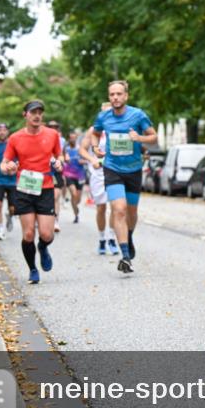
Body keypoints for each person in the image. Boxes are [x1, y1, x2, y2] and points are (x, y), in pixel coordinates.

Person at [82, 81, 156, 274]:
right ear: (109, 97)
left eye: (119, 94)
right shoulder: (103, 117)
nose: (115, 97)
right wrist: (97, 147)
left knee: (131, 212)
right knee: (119, 210)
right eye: (112, 94)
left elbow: (153, 137)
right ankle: (125, 256)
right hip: (112, 168)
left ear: (126, 96)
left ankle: (128, 236)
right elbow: (95, 134)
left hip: (133, 169)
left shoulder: (137, 115)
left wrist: (139, 139)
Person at [1, 100, 63, 284]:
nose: (37, 115)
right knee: (28, 234)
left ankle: (43, 248)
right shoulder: (15, 138)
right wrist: (8, 166)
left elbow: (59, 155)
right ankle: (33, 269)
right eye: (33, 112)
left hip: (45, 188)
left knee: (46, 234)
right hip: (25, 189)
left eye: (40, 112)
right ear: (25, 115)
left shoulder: (52, 135)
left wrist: (59, 162)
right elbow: (4, 163)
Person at [81, 102, 118, 255]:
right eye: (105, 113)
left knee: (116, 207)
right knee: (101, 208)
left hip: (115, 171)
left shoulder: (118, 129)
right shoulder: (94, 130)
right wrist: (92, 159)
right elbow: (82, 149)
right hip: (98, 174)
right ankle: (102, 238)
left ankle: (112, 238)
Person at [46, 120, 67, 233]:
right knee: (44, 196)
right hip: (43, 171)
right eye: (51, 127)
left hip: (56, 171)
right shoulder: (42, 138)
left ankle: (55, 220)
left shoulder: (61, 140)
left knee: (55, 196)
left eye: (55, 127)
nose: (53, 129)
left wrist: (61, 160)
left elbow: (63, 154)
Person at [62, 131, 86, 223]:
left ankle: (75, 208)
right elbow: (61, 158)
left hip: (80, 175)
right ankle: (76, 215)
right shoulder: (66, 149)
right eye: (71, 138)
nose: (73, 139)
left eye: (74, 138)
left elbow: (87, 159)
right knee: (74, 193)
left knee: (77, 199)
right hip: (69, 175)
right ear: (69, 139)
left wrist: (83, 161)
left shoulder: (80, 148)